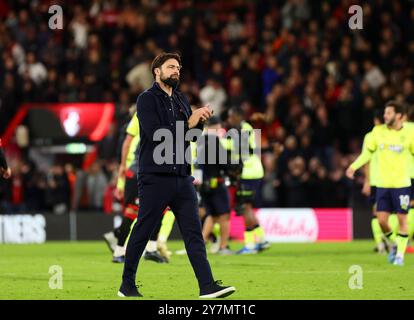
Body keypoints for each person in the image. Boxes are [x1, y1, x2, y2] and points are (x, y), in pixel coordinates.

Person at [118, 52, 235, 298]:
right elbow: (157, 135)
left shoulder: (181, 100)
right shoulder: (146, 100)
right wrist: (190, 123)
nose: (176, 70)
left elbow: (188, 139)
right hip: (155, 176)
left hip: (182, 177)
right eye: (171, 67)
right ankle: (126, 285)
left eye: (179, 68)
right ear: (157, 72)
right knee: (143, 230)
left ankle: (207, 286)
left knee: (193, 233)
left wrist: (198, 123)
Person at [346, 101, 414, 266]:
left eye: (389, 113)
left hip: (402, 184)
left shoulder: (410, 133)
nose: (385, 116)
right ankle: (397, 244)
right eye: (385, 113)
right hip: (383, 184)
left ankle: (399, 256)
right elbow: (367, 153)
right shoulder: (378, 132)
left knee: (402, 219)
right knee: (382, 220)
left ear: (398, 115)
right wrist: (354, 166)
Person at [103, 110, 171, 263]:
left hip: (153, 176)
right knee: (132, 213)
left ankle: (151, 249)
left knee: (160, 211)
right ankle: (119, 251)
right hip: (138, 175)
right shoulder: (150, 133)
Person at [225, 106, 269, 254]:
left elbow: (236, 148)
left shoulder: (243, 130)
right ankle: (262, 240)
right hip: (251, 172)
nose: (229, 120)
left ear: (238, 116)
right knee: (247, 206)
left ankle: (250, 244)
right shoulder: (242, 129)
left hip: (249, 173)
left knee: (245, 208)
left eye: (231, 117)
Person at [360, 110, 399, 253]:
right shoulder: (392, 135)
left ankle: (382, 243)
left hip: (376, 180)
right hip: (390, 178)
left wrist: (367, 180)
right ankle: (390, 241)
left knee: (377, 213)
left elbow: (366, 160)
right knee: (392, 212)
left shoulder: (370, 137)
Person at [197, 116, 235, 255]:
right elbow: (224, 163)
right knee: (224, 216)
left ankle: (199, 246)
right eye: (219, 128)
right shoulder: (214, 142)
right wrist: (233, 167)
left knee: (211, 216)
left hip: (204, 185)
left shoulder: (200, 141)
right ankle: (223, 247)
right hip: (216, 184)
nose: (220, 130)